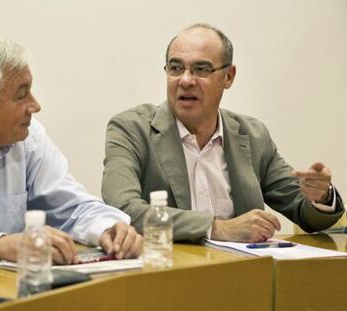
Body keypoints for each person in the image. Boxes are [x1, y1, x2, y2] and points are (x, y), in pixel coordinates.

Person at [102, 23, 344, 243]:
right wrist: (217, 228)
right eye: (176, 68)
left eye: (201, 69)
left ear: (228, 77)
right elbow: (122, 209)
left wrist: (322, 196)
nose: (186, 80)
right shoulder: (132, 129)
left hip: (242, 276)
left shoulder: (253, 135)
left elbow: (306, 212)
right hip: (169, 274)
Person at [0, 34, 142, 264]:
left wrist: (108, 228)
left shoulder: (26, 137)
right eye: (21, 95)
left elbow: (71, 206)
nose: (35, 106)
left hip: (7, 290)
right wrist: (0, 245)